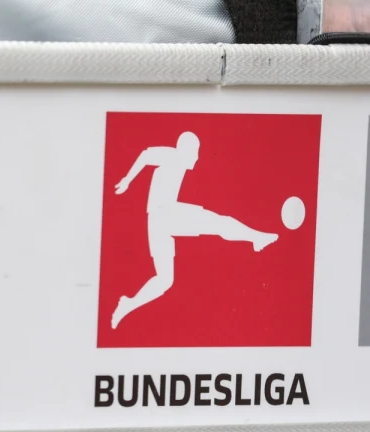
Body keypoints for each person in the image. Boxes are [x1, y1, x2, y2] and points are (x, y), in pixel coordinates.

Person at [111, 131, 278, 329]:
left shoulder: (178, 160)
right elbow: (146, 154)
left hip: (156, 223)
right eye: (195, 152)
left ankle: (128, 304)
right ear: (186, 150)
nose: (197, 157)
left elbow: (147, 157)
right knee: (218, 223)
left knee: (165, 280)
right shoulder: (173, 155)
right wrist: (127, 179)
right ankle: (256, 237)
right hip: (166, 214)